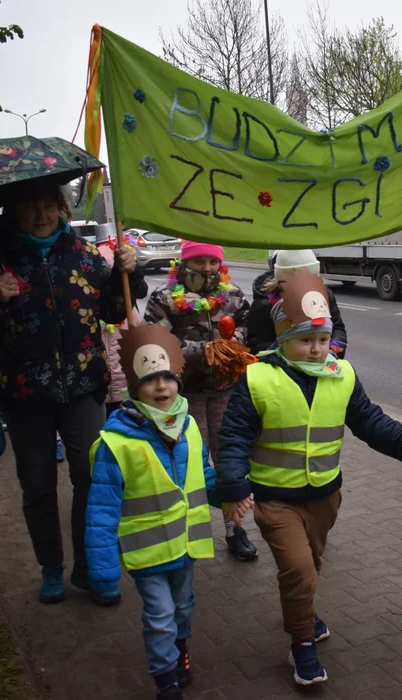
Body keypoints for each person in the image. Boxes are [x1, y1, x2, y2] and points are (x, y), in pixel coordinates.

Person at [216, 269, 402, 686]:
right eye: (304, 340)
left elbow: (368, 420)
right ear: (282, 339)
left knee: (310, 564)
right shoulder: (258, 378)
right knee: (297, 569)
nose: (316, 349)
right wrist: (235, 484)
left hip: (324, 497)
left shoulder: (342, 375)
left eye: (321, 339)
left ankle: (306, 614)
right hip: (275, 497)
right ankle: (301, 645)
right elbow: (235, 436)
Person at [0, 182, 148, 605]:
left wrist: (127, 272)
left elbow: (114, 310)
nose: (41, 216)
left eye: (49, 207)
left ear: (62, 209)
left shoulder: (82, 255)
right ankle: (51, 567)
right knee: (37, 483)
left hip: (82, 388)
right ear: (14, 213)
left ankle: (89, 567)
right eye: (30, 208)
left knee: (93, 479)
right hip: (25, 394)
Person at [86, 323, 218, 700]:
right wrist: (103, 569)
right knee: (160, 616)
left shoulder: (189, 426)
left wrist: (233, 495)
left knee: (182, 607)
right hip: (146, 552)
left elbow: (205, 477)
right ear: (133, 388)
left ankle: (180, 650)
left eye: (168, 378)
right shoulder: (116, 444)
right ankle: (165, 678)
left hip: (185, 546)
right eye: (149, 380)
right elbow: (101, 511)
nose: (161, 387)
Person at [144, 241, 256, 562]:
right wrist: (203, 352)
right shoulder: (165, 298)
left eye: (212, 261)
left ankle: (234, 528)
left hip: (225, 390)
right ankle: (186, 529)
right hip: (185, 394)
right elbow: (158, 343)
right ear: (185, 262)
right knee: (190, 462)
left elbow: (249, 325)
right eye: (199, 261)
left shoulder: (232, 294)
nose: (207, 268)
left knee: (228, 461)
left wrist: (236, 341)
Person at [245, 249, 347, 358]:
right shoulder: (264, 304)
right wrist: (287, 352)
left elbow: (337, 327)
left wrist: (332, 349)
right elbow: (256, 344)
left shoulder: (324, 295)